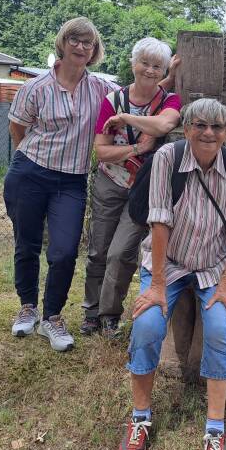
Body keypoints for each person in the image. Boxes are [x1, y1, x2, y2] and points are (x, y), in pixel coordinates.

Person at [118, 98, 226, 450]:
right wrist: (158, 285)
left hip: (215, 265)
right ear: (186, 128)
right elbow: (159, 221)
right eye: (200, 125)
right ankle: (140, 419)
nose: (208, 133)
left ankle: (215, 431)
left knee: (220, 330)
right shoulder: (168, 158)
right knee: (146, 325)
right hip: (169, 262)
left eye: (217, 127)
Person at [4, 17, 117, 352]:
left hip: (71, 181)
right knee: (27, 244)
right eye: (74, 40)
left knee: (65, 251)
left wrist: (166, 75)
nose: (81, 47)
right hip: (30, 172)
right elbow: (17, 128)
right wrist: (30, 160)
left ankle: (52, 317)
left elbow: (136, 96)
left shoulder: (101, 89)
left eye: (88, 42)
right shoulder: (36, 87)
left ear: (94, 50)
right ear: (63, 43)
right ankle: (27, 308)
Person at [80, 38, 182, 339]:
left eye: (157, 66)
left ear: (164, 70)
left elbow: (164, 126)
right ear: (133, 63)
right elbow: (102, 151)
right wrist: (139, 147)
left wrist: (124, 120)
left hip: (144, 188)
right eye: (144, 63)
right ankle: (90, 313)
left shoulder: (170, 101)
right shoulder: (112, 99)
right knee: (98, 250)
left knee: (121, 252)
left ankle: (109, 315)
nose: (149, 70)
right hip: (109, 182)